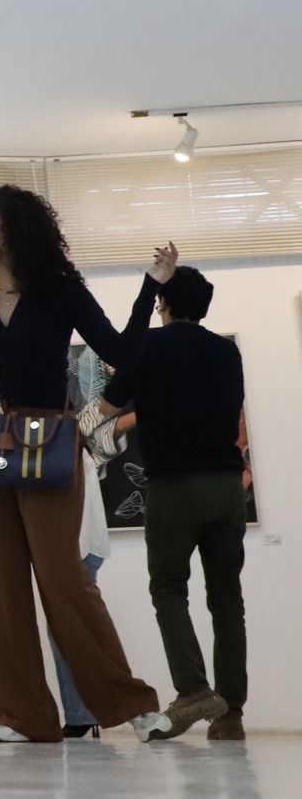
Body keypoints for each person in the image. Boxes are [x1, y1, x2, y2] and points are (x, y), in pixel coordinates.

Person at [0, 186, 173, 744]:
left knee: (64, 577)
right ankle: (21, 715)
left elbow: (121, 352)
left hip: (48, 438)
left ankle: (132, 704)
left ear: (14, 228)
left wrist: (151, 289)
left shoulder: (62, 292)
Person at [99, 265, 248, 741]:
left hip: (174, 487)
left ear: (162, 304)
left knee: (168, 588)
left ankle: (194, 689)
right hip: (226, 487)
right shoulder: (226, 351)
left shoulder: (149, 345)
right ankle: (231, 714)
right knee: (227, 599)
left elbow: (108, 405)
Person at [48, 459, 111, 738]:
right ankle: (82, 713)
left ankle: (82, 713)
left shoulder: (71, 451)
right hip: (79, 539)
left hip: (77, 541)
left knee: (67, 625)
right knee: (66, 625)